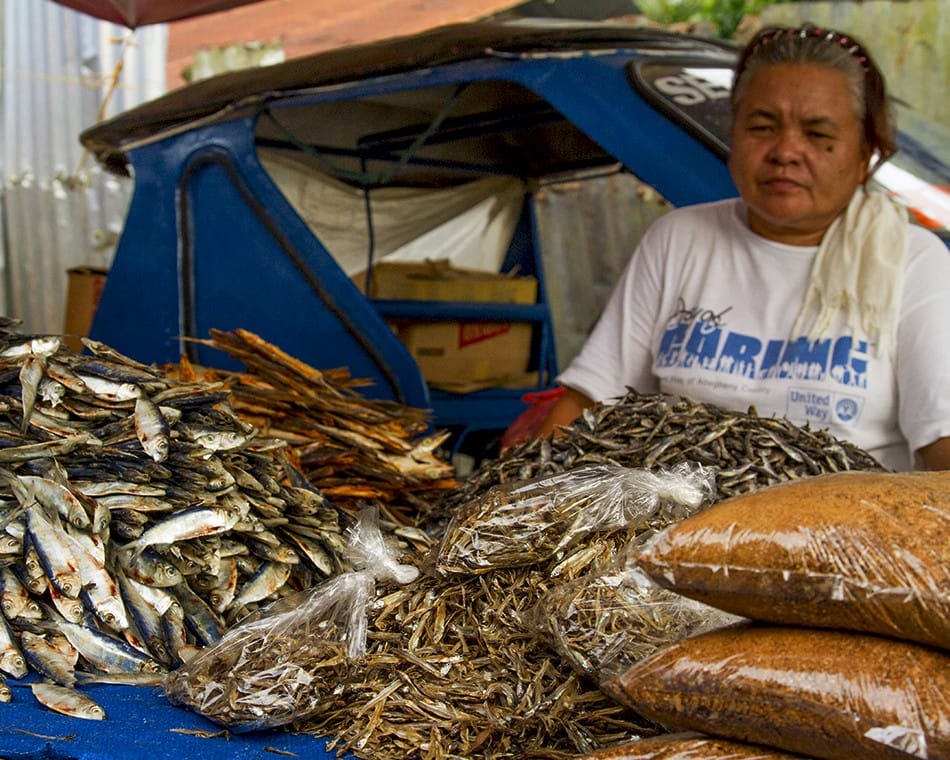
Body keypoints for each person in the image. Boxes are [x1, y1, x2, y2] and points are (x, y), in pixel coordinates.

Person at [537, 23, 950, 472]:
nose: (786, 151)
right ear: (734, 135)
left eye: (817, 134)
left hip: (845, 533)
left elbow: (940, 441)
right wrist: (511, 497)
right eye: (762, 126)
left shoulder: (911, 261)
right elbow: (586, 404)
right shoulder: (679, 240)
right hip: (678, 527)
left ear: (865, 152)